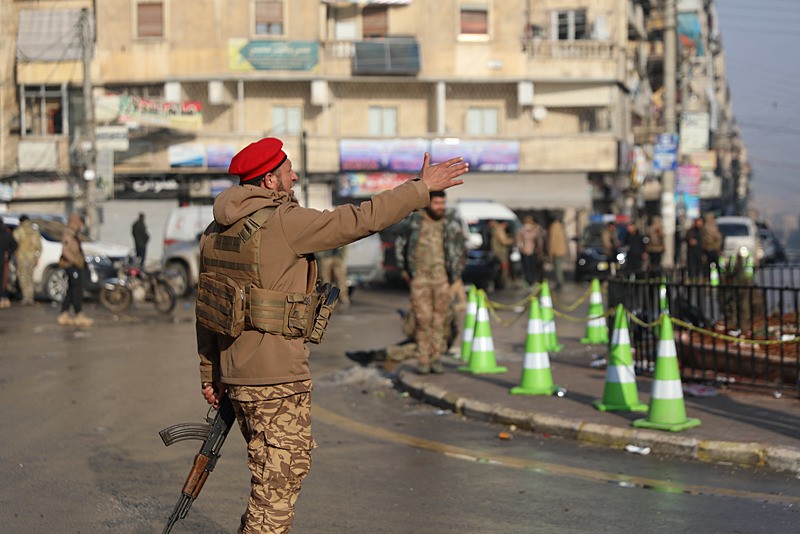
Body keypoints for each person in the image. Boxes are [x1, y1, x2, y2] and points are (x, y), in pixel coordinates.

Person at [195, 137, 468, 533]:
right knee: (278, 486)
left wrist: (210, 373)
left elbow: (206, 308)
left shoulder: (216, 229)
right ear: (270, 181)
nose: (296, 176)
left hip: (237, 376)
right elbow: (359, 219)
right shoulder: (283, 222)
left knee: (267, 477)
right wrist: (420, 188)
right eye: (289, 172)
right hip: (277, 380)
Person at [395, 190, 466, 375]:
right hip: (420, 278)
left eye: (442, 203)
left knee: (440, 320)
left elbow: (460, 248)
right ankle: (424, 359)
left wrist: (456, 273)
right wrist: (404, 268)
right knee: (422, 319)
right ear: (428, 204)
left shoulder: (449, 223)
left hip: (442, 278)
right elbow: (400, 244)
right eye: (436, 203)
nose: (440, 207)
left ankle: (437, 358)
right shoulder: (414, 222)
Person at [59, 213, 94, 327]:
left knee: (71, 290)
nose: (81, 224)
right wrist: (76, 261)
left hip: (75, 265)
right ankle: (79, 314)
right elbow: (65, 251)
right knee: (76, 290)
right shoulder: (68, 234)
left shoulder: (74, 234)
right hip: (72, 266)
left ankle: (64, 313)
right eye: (79, 221)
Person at [12, 215, 42, 305]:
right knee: (30, 277)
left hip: (22, 258)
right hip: (32, 257)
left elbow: (13, 243)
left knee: (23, 277)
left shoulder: (19, 231)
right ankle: (30, 297)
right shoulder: (34, 231)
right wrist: (37, 257)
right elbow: (39, 247)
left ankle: (26, 297)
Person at [516, 215, 544, 287]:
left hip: (525, 250)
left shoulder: (521, 229)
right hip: (532, 250)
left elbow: (518, 240)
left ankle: (529, 281)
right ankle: (532, 281)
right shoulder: (535, 229)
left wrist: (520, 248)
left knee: (527, 267)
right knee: (532, 267)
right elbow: (539, 239)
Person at [490, 219, 514, 287]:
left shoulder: (494, 228)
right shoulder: (499, 229)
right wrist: (513, 240)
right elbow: (504, 241)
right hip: (500, 252)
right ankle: (503, 282)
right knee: (504, 267)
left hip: (497, 251)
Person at [546, 215, 567, 290]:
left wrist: (550, 253)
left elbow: (552, 241)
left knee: (557, 268)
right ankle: (559, 281)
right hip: (561, 250)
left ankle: (559, 282)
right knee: (559, 267)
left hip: (556, 251)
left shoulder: (553, 227)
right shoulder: (560, 226)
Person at [0, 219, 17, 309]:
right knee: (4, 280)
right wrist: (8, 253)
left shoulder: (6, 234)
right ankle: (4, 298)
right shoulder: (7, 234)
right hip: (4, 260)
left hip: (3, 259)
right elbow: (15, 245)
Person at [700, 212, 723, 277]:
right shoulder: (710, 227)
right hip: (712, 248)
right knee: (715, 265)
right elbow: (718, 237)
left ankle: (708, 279)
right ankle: (719, 279)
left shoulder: (706, 227)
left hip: (709, 248)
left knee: (708, 266)